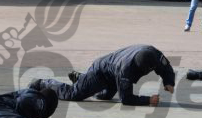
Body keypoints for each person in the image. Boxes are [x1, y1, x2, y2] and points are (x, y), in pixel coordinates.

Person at [31, 45, 176, 106]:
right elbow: (126, 99)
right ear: (137, 67)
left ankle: (81, 79)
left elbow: (166, 68)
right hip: (101, 71)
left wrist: (169, 82)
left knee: (105, 96)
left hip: (112, 72)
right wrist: (148, 100)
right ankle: (43, 83)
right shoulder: (126, 69)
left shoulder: (154, 54)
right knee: (74, 94)